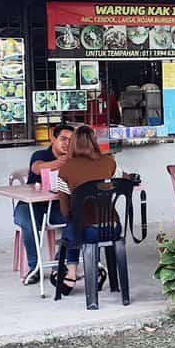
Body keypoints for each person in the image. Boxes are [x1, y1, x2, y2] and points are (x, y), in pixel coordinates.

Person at [53, 124, 118, 295]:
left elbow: (65, 210)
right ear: (94, 142)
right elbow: (121, 179)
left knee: (73, 226)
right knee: (76, 227)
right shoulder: (110, 162)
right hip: (113, 228)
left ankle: (71, 273)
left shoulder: (66, 170)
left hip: (86, 231)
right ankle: (100, 274)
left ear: (73, 143)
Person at [12, 124, 72, 285]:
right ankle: (35, 267)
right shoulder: (40, 154)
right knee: (28, 222)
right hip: (31, 205)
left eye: (71, 141)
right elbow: (37, 168)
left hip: (57, 207)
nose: (67, 144)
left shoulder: (75, 157)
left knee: (77, 218)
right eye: (63, 139)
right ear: (53, 139)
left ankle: (61, 261)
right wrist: (60, 163)